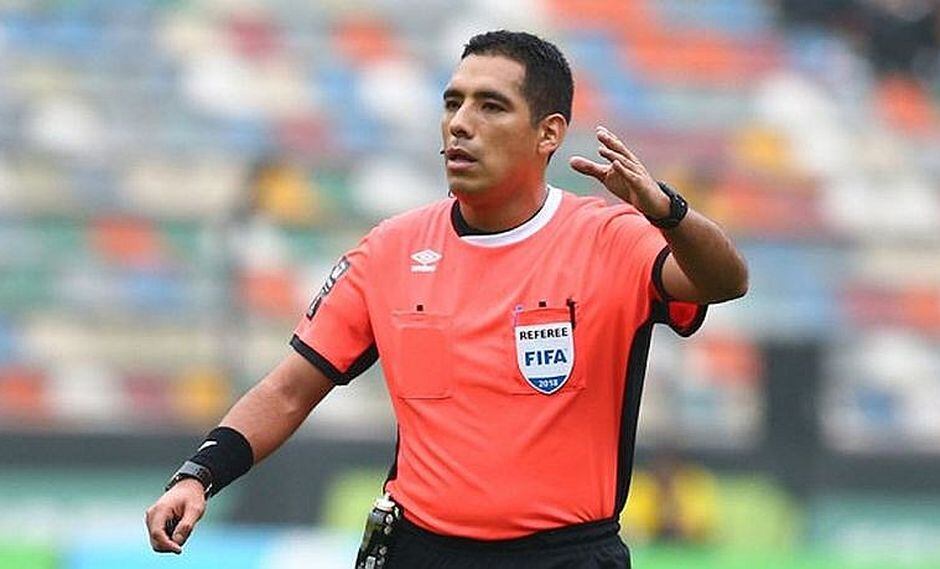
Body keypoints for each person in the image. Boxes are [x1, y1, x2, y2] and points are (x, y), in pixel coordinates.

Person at [145, 30, 748, 568]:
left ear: (549, 133)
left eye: (491, 106)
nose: (460, 123)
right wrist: (199, 475)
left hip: (566, 554)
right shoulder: (390, 250)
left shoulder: (611, 238)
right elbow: (287, 391)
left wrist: (668, 212)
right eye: (453, 103)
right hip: (422, 549)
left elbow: (725, 282)